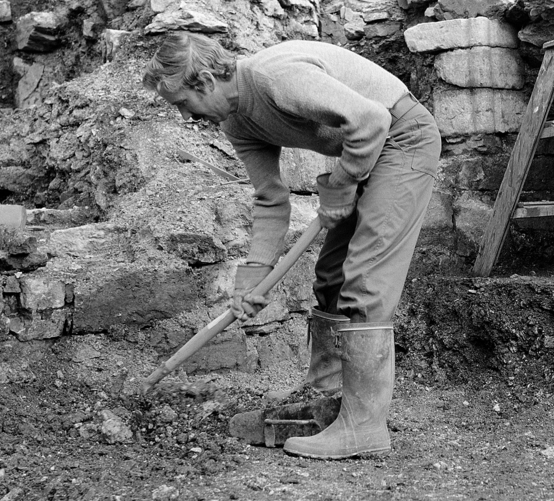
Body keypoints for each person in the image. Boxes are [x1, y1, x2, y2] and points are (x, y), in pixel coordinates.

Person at [142, 32, 440, 459]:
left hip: (403, 138)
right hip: (367, 149)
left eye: (184, 104)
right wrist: (253, 275)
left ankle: (364, 427)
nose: (188, 116)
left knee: (367, 279)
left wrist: (340, 184)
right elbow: (270, 197)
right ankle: (328, 405)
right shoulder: (234, 120)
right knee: (331, 279)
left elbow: (371, 120)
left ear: (205, 81)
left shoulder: (276, 77)